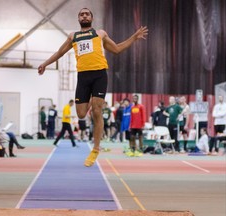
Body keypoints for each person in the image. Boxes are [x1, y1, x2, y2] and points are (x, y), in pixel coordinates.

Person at [38, 8, 148, 167]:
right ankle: (92, 98)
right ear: (78, 19)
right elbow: (59, 52)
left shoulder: (100, 34)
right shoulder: (73, 36)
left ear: (91, 18)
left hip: (99, 74)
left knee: (97, 110)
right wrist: (45, 64)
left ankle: (96, 148)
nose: (84, 16)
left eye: (86, 14)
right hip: (83, 77)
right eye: (81, 14)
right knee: (81, 114)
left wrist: (134, 37)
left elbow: (116, 49)